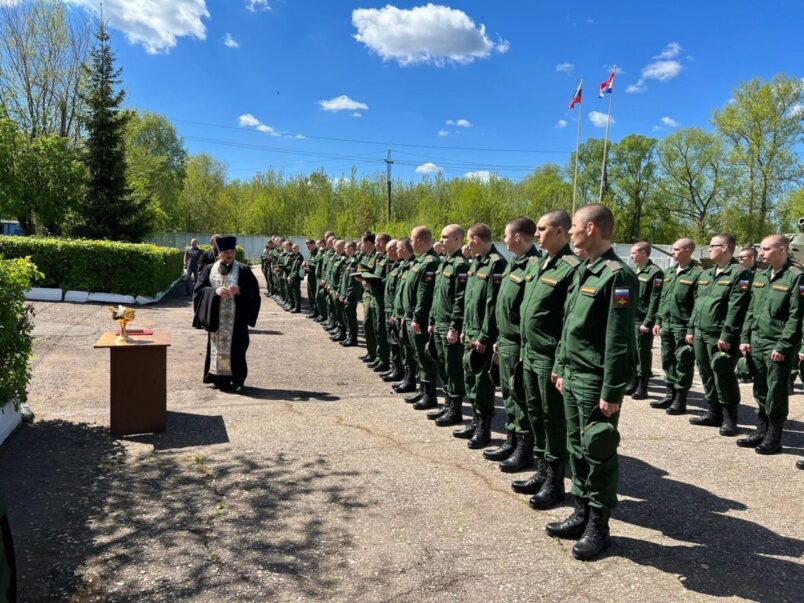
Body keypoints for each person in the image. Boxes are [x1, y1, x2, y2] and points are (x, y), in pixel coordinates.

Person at [547, 203, 636, 561]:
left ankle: (599, 526)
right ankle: (581, 512)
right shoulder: (586, 270)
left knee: (598, 452)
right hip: (572, 375)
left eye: (575, 227)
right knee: (576, 448)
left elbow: (618, 340)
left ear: (593, 229)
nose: (570, 232)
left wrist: (612, 390)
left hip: (596, 381)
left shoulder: (618, 276)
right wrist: (559, 365)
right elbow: (569, 327)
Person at [513, 210, 580, 509]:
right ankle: (541, 472)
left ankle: (555, 482)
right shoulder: (542, 264)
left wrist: (560, 362)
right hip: (529, 353)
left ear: (561, 232)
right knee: (535, 415)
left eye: (542, 229)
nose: (536, 234)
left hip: (549, 357)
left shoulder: (571, 268)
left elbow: (569, 322)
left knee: (553, 421)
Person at [738, 234, 803, 455]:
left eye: (766, 249)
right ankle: (761, 431)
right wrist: (745, 338)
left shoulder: (796, 278)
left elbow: (796, 317)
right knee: (760, 388)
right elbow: (751, 310)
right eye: (761, 249)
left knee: (776, 391)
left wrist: (784, 346)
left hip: (777, 344)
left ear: (783, 250)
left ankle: (774, 438)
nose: (762, 253)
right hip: (757, 341)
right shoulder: (761, 276)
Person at [485, 217, 541, 472]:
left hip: (519, 343)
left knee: (520, 397)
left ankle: (524, 449)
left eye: (506, 235)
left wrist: (519, 344)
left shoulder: (534, 265)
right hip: (506, 340)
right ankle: (512, 440)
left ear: (517, 236)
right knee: (508, 394)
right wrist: (499, 337)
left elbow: (528, 311)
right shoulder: (514, 264)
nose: (504, 239)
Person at [685, 234, 751, 436]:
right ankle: (713, 413)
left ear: (725, 247)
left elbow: (736, 307)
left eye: (712, 246)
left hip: (720, 335)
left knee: (723, 374)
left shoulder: (740, 273)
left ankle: (730, 418)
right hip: (700, 331)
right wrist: (690, 328)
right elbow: (697, 304)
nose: (709, 249)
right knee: (705, 372)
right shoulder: (706, 274)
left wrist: (727, 334)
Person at [454, 223, 507, 449]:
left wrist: (485, 337)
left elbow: (492, 305)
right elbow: (469, 300)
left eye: (468, 239)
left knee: (482, 381)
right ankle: (475, 422)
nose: (467, 244)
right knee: (470, 378)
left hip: (482, 335)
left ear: (476, 239)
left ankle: (484, 427)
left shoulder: (497, 264)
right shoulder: (476, 263)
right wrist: (465, 327)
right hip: (471, 331)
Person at [193, 236, 261, 392]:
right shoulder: (209, 269)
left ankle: (238, 380)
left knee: (238, 350)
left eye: (232, 251)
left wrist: (241, 291)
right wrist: (214, 292)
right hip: (217, 319)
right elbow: (198, 291)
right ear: (219, 253)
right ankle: (219, 380)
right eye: (225, 252)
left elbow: (254, 293)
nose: (229, 254)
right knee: (217, 349)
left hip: (237, 320)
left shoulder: (243, 270)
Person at [651, 239, 703, 414]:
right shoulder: (669, 272)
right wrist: (658, 321)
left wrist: (691, 329)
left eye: (676, 249)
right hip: (666, 323)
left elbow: (698, 305)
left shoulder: (697, 274)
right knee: (667, 360)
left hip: (682, 325)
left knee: (683, 362)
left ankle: (680, 400)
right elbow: (663, 299)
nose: (672, 252)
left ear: (688, 251)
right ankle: (669, 394)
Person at [427, 224, 469, 425]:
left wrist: (455, 326)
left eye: (445, 237)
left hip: (450, 325)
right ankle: (447, 404)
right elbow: (438, 296)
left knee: (453, 368)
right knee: (443, 367)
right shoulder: (445, 262)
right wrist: (432, 320)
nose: (441, 240)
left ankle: (455, 410)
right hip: (439, 323)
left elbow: (460, 299)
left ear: (457, 240)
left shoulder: (461, 264)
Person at [401, 226, 440, 409]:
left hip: (420, 319)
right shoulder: (420, 261)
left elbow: (424, 294)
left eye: (411, 239)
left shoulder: (431, 262)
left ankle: (430, 395)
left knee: (425, 357)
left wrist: (417, 317)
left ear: (419, 241)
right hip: (411, 317)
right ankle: (423, 390)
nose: (410, 243)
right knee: (418, 355)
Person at [625, 242, 664, 399]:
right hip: (631, 317)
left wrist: (648, 322)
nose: (631, 256)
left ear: (643, 253)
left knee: (642, 353)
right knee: (632, 352)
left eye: (634, 253)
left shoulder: (655, 272)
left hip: (642, 320)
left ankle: (642, 386)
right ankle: (633, 381)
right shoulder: (634, 270)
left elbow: (655, 300)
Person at [735, 246, 759, 382]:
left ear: (751, 258)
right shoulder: (739, 273)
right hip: (740, 315)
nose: (739, 260)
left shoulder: (760, 274)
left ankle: (750, 371)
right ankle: (742, 372)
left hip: (752, 316)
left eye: (742, 258)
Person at [339, 241, 361, 346]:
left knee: (351, 317)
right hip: (345, 293)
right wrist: (340, 292)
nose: (345, 250)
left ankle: (353, 339)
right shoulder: (348, 261)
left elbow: (353, 282)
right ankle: (349, 336)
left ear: (352, 248)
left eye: (346, 248)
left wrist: (348, 296)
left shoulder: (355, 262)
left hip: (351, 296)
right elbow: (343, 278)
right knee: (347, 316)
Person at [303, 239, 320, 318]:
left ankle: (316, 312)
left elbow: (314, 264)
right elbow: (308, 262)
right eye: (307, 246)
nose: (308, 247)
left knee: (314, 295)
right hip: (310, 276)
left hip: (314, 277)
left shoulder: (317, 252)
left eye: (309, 245)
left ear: (313, 244)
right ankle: (312, 311)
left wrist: (306, 263)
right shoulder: (310, 253)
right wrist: (305, 264)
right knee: (310, 294)